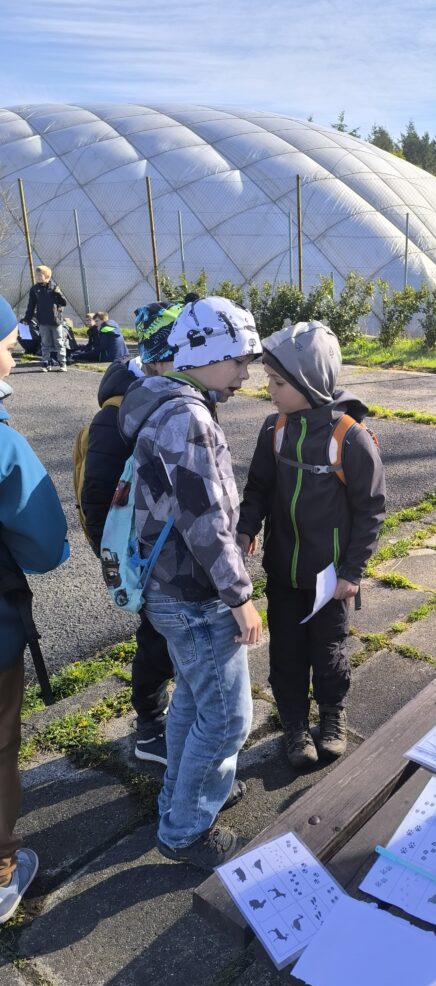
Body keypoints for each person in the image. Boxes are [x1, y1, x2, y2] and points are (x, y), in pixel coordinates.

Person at [118, 296, 263, 869]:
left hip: (169, 589)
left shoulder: (163, 402)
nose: (246, 374)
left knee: (193, 704)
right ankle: (184, 830)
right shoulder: (188, 418)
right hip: (196, 595)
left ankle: (177, 799)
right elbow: (205, 521)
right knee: (228, 720)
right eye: (239, 360)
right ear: (205, 355)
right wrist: (239, 596)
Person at [238, 320, 386, 769]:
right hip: (283, 572)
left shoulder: (350, 438)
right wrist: (246, 527)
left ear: (309, 383)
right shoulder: (274, 429)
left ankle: (332, 714)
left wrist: (352, 572)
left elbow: (371, 510)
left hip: (330, 580)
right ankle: (295, 724)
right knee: (286, 652)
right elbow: (258, 487)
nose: (269, 390)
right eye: (269, 380)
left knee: (329, 651)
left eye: (278, 382)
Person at [80, 302, 183, 765]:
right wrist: (121, 565)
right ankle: (150, 727)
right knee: (156, 640)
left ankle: (173, 717)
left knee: (175, 638)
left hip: (179, 549)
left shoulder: (179, 393)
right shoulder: (115, 415)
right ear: (162, 355)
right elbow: (96, 499)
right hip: (145, 556)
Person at [0, 294, 69, 924]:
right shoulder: (3, 445)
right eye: (5, 342)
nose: (17, 349)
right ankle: (1, 867)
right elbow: (45, 546)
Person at [22, 265, 67, 371]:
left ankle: (62, 362)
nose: (37, 277)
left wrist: (59, 293)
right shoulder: (34, 289)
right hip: (42, 321)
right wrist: (27, 319)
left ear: (47, 276)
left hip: (56, 321)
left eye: (40, 275)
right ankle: (46, 362)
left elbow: (63, 303)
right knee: (45, 343)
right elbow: (31, 306)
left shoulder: (54, 287)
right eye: (36, 275)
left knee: (59, 342)